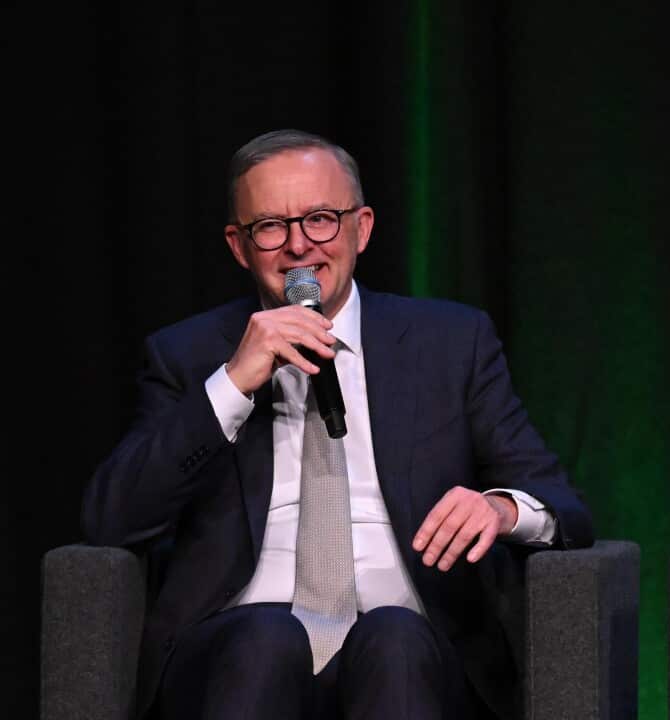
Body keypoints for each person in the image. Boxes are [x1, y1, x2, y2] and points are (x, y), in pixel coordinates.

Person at [82, 129, 594, 720]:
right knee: (267, 635)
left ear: (362, 228)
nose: (299, 246)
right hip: (236, 652)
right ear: (239, 246)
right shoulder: (189, 354)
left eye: (322, 218)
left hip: (414, 649)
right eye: (271, 226)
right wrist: (231, 384)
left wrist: (500, 509)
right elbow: (111, 519)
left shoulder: (450, 343)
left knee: (393, 638)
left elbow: (564, 506)